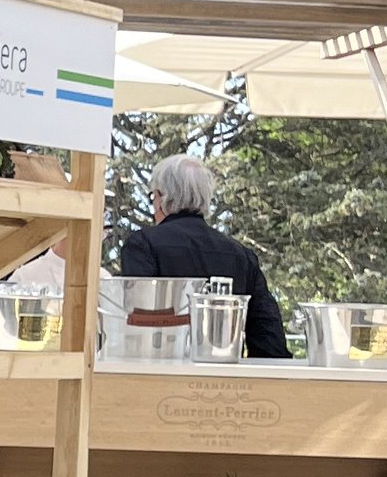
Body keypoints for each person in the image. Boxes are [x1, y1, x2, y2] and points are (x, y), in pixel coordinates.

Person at [119, 150, 291, 358]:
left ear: (162, 198)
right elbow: (270, 343)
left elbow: (137, 327)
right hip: (227, 380)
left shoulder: (142, 245)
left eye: (152, 196)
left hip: (162, 378)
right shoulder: (241, 255)